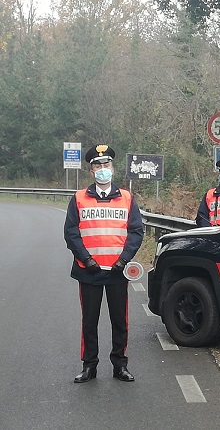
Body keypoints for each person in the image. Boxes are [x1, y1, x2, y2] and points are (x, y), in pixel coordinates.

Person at [64, 144, 144, 383]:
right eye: (97, 166)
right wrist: (86, 260)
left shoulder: (127, 198)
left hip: (117, 272)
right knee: (89, 321)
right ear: (91, 171)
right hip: (88, 271)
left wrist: (124, 260)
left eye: (106, 165)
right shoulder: (79, 198)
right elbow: (71, 233)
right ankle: (89, 366)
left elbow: (136, 232)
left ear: (113, 168)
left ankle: (120, 365)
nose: (102, 169)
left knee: (120, 321)